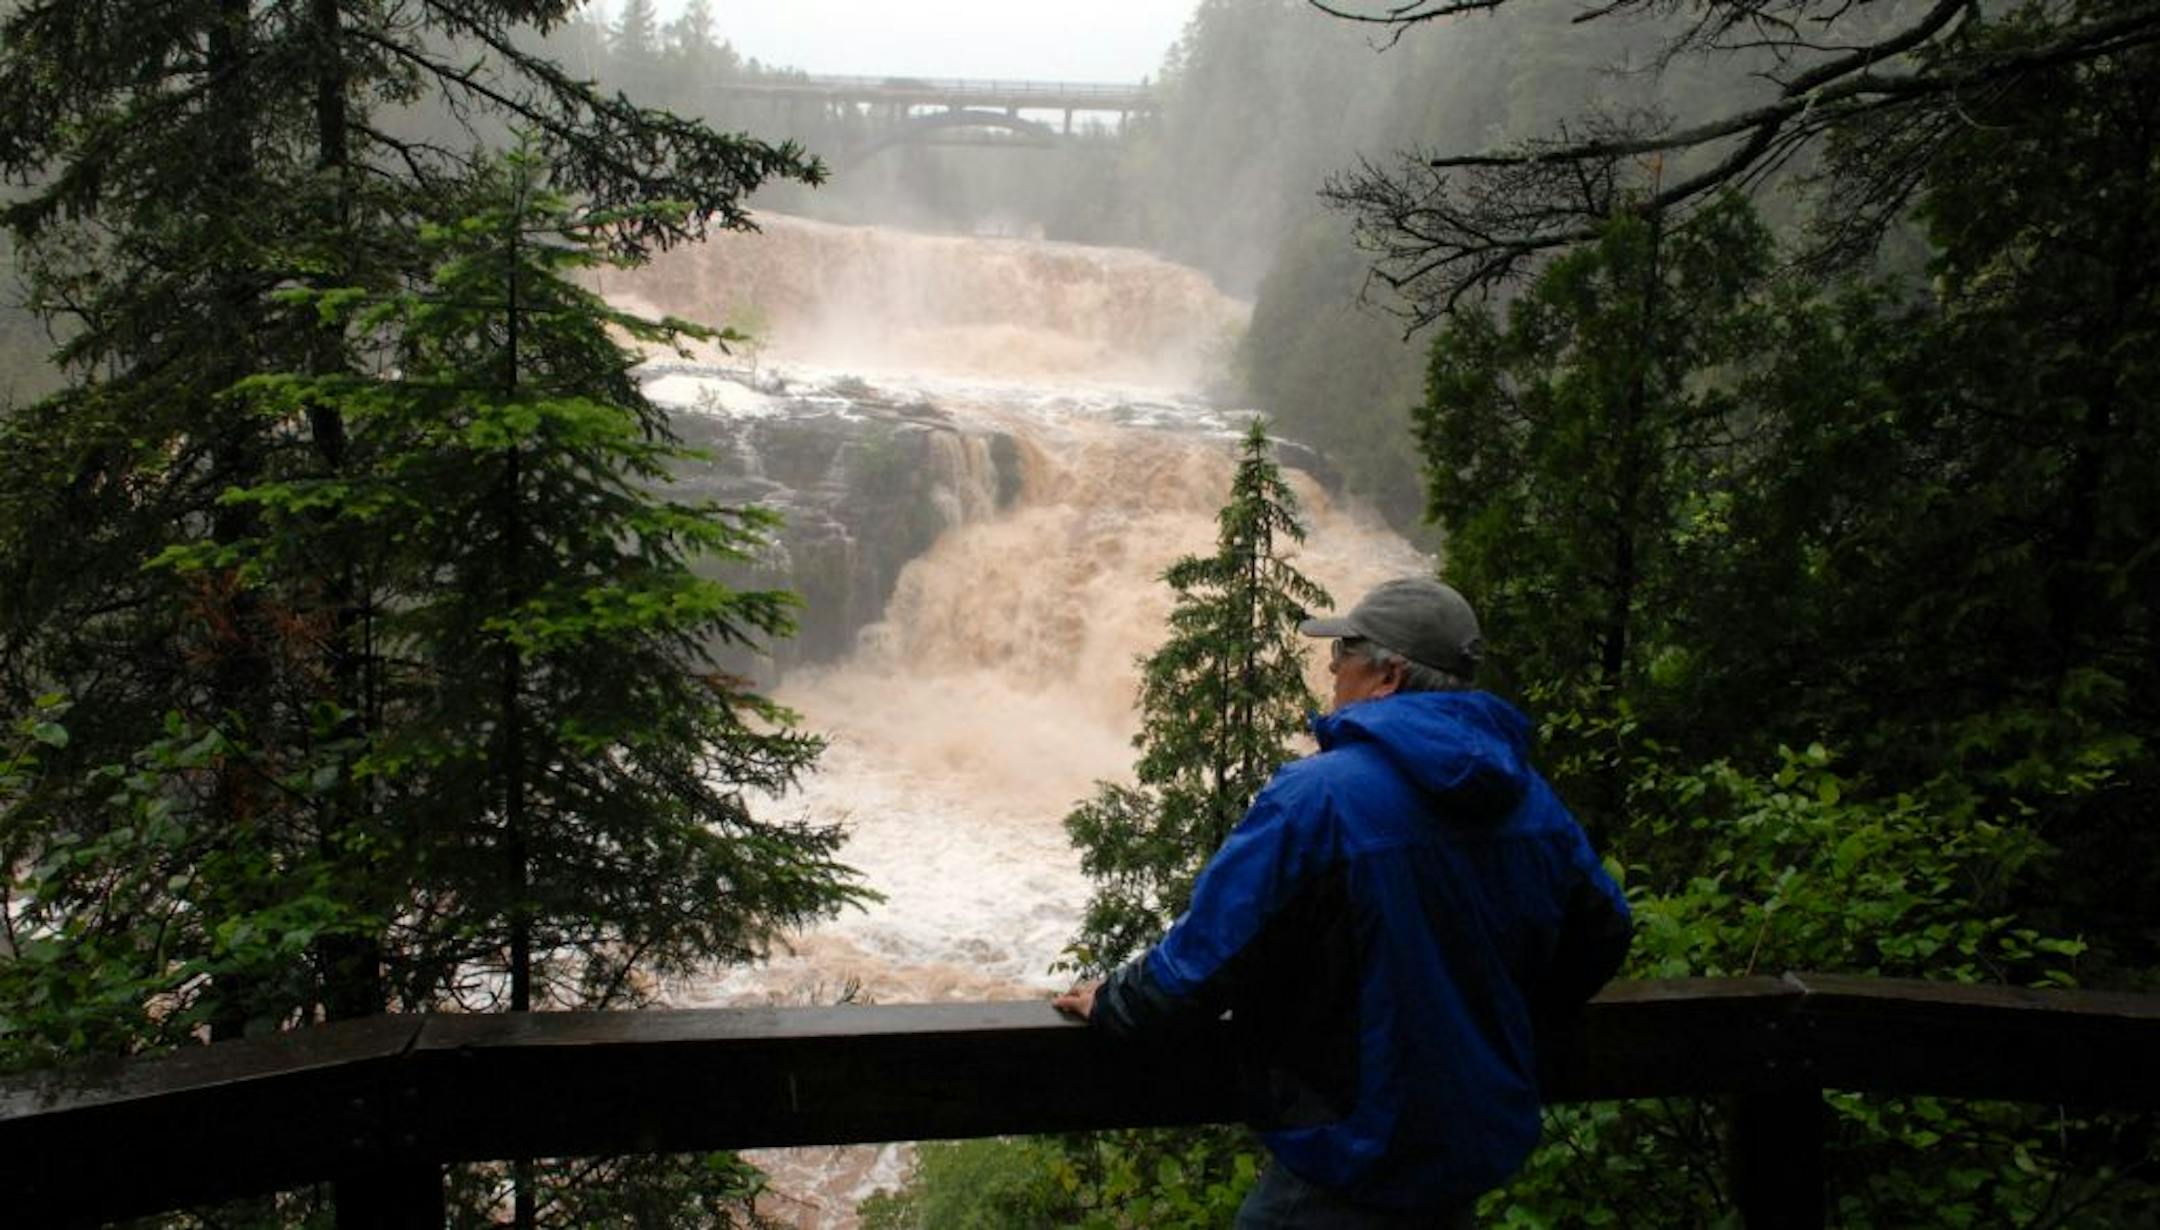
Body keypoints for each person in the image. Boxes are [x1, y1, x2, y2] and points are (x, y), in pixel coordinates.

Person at [1054, 577, 1632, 1228]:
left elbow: (1204, 961)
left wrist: (1117, 999)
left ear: (1385, 676)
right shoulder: (1529, 799)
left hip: (1348, 1157)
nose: (1331, 672)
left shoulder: (1319, 800)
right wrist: (1495, 1022)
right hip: (1457, 1165)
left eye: (1342, 655)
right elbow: (1605, 930)